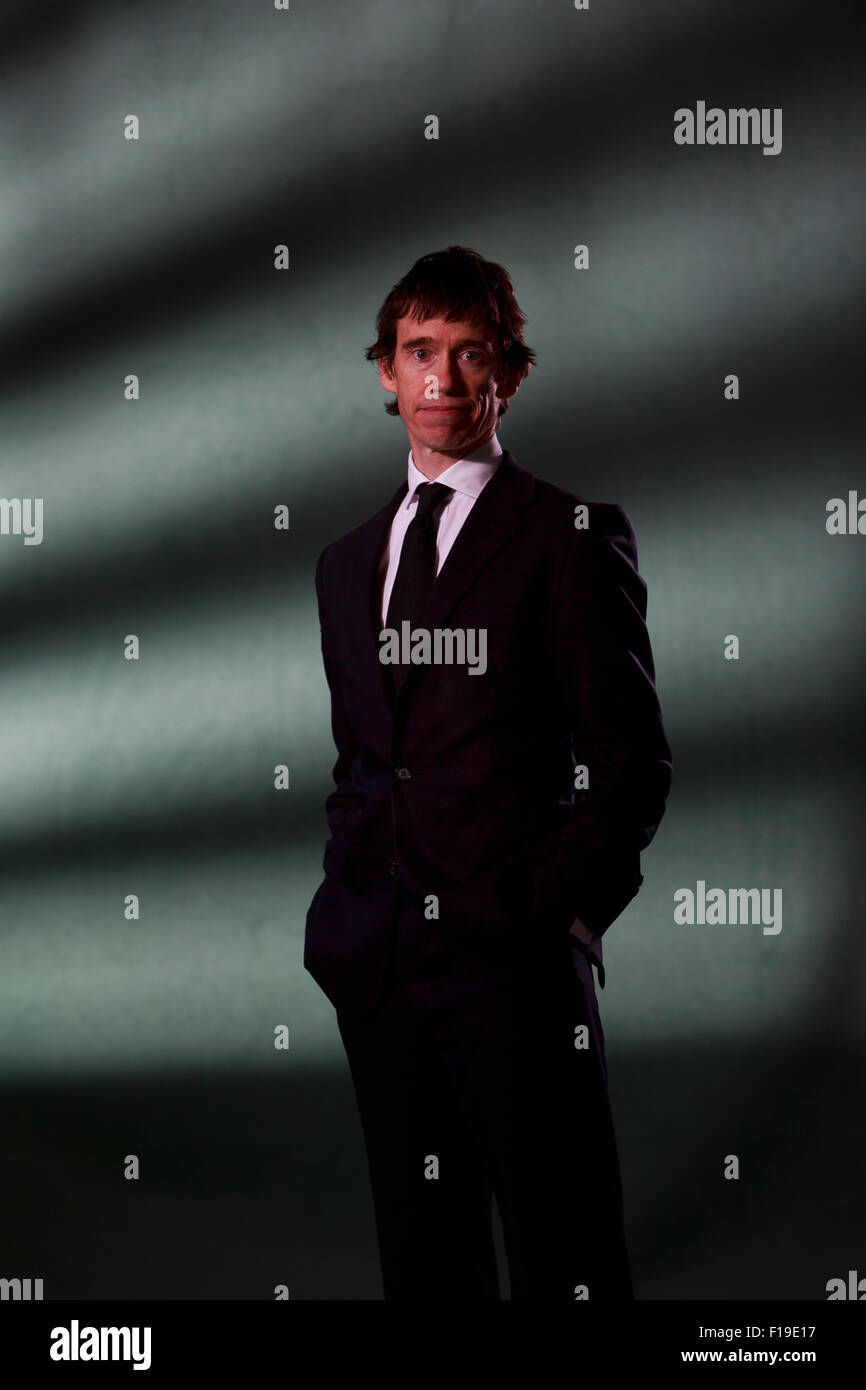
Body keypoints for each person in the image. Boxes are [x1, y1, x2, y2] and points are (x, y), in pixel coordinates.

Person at [304, 245, 673, 1299]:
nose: (443, 380)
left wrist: (554, 914)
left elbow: (629, 759)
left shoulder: (567, 537)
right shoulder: (342, 564)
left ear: (509, 374)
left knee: (567, 1266)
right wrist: (347, 893)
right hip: (377, 972)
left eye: (470, 355)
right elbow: (367, 762)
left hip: (513, 970)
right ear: (385, 368)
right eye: (420, 351)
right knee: (428, 1273)